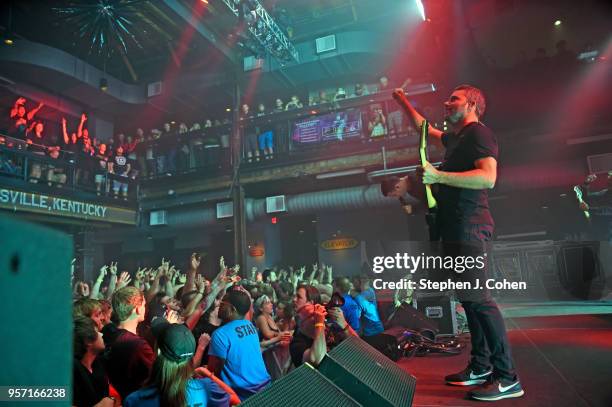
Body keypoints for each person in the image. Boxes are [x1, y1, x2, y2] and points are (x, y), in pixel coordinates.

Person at [393, 85, 524, 401]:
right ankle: (480, 366)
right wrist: (401, 100)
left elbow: (488, 178)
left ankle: (508, 378)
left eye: (454, 98)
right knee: (468, 300)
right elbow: (424, 129)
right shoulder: (458, 139)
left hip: (470, 227)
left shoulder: (479, 134)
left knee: (479, 300)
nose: (446, 101)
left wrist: (438, 177)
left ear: (473, 104)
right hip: (454, 229)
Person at [123, 323, 230, 407]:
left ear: (158, 352)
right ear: (191, 358)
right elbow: (233, 398)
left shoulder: (135, 401)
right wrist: (207, 373)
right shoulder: (208, 389)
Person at [207, 289, 271, 401]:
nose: (219, 305)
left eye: (222, 303)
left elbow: (213, 372)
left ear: (232, 309)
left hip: (244, 394)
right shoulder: (249, 325)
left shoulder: (220, 335)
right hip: (265, 386)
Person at [103, 286, 156, 401]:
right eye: (144, 305)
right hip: (135, 400)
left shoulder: (107, 332)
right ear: (137, 309)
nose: (145, 309)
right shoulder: (138, 345)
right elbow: (158, 375)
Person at [73, 316, 113, 407]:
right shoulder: (71, 370)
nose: (101, 334)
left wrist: (112, 399)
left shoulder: (97, 362)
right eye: (97, 332)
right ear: (88, 341)